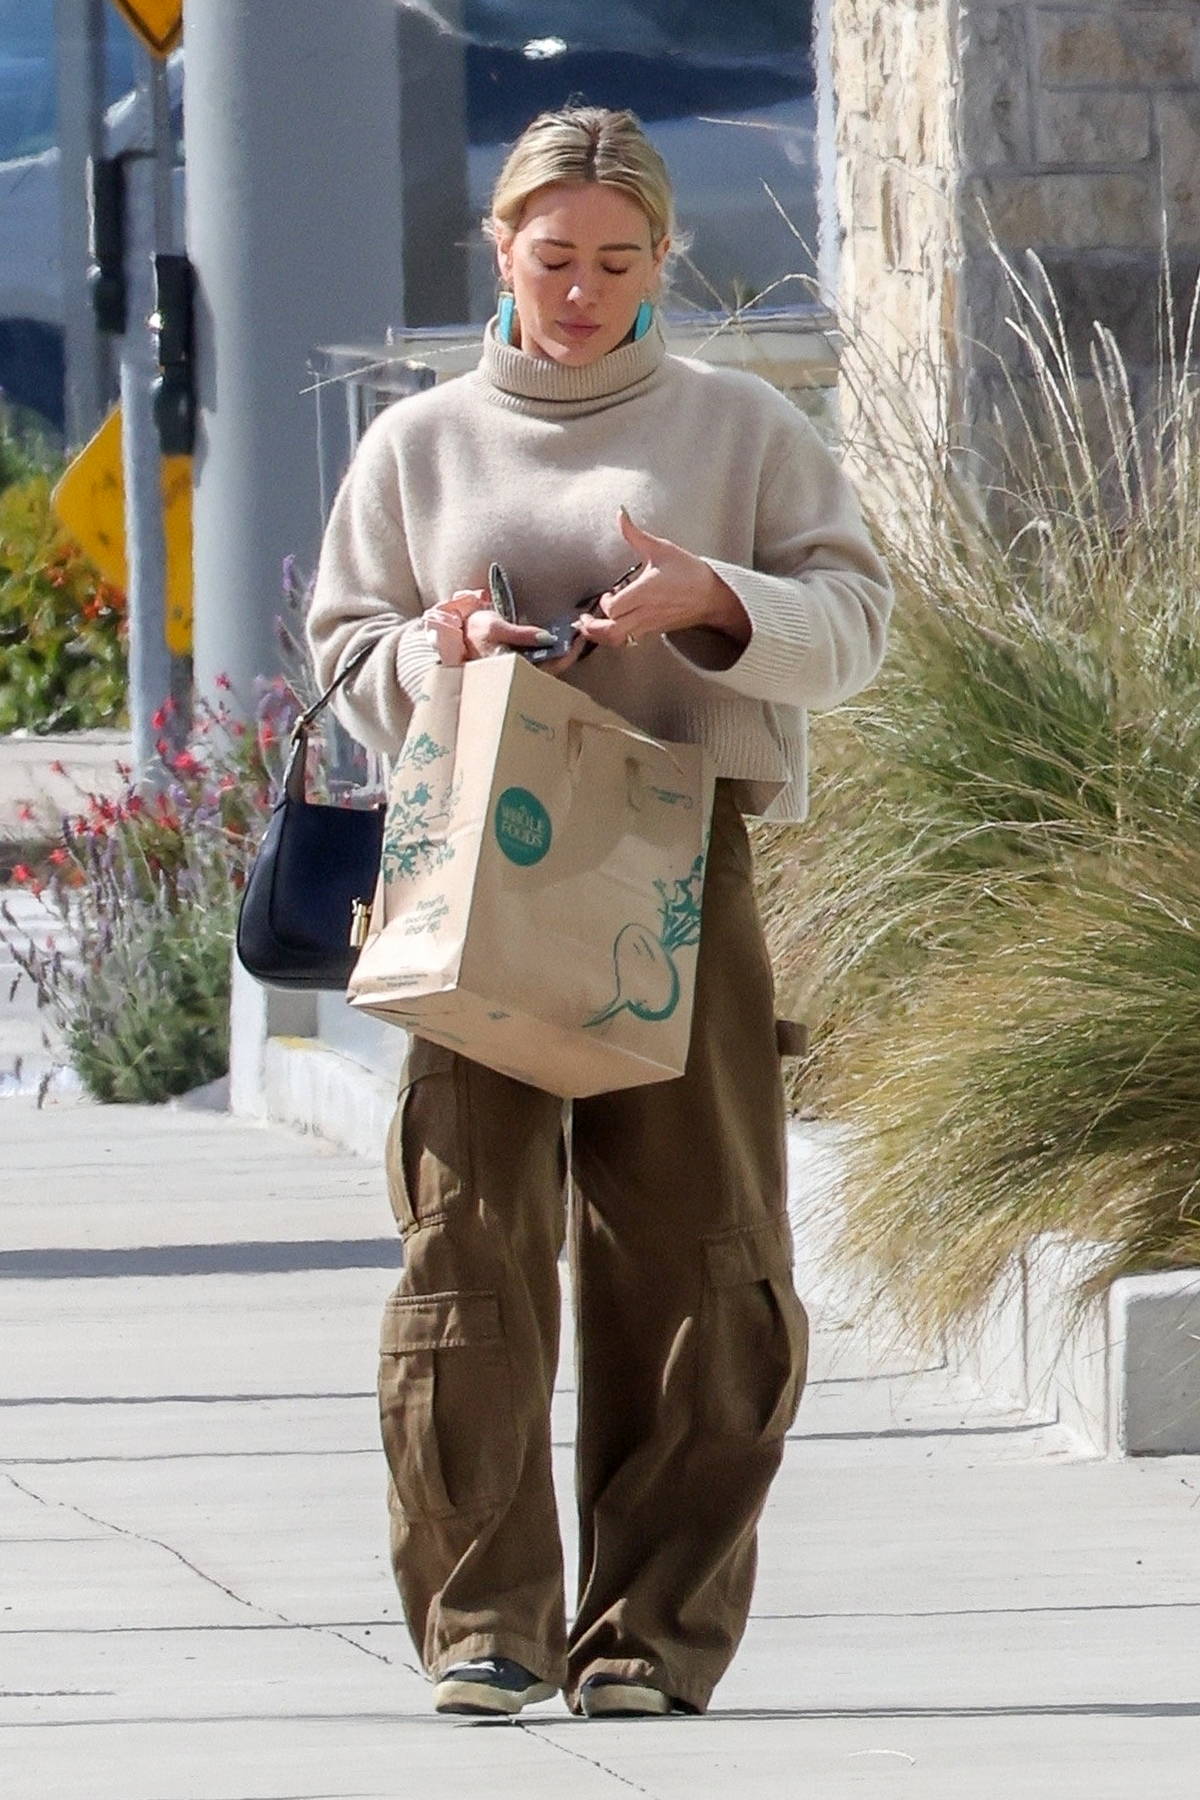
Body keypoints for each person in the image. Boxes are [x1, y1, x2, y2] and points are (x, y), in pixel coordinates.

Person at [307, 105, 891, 1721]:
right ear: (498, 251)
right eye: (552, 258)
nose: (581, 292)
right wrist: (441, 652)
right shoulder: (418, 445)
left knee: (702, 1256)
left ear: (661, 261)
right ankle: (485, 1623)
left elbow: (858, 629)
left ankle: (648, 1634)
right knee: (467, 1239)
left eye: (617, 263)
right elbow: (344, 652)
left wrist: (717, 603)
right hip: (469, 868)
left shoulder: (740, 430)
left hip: (684, 870)